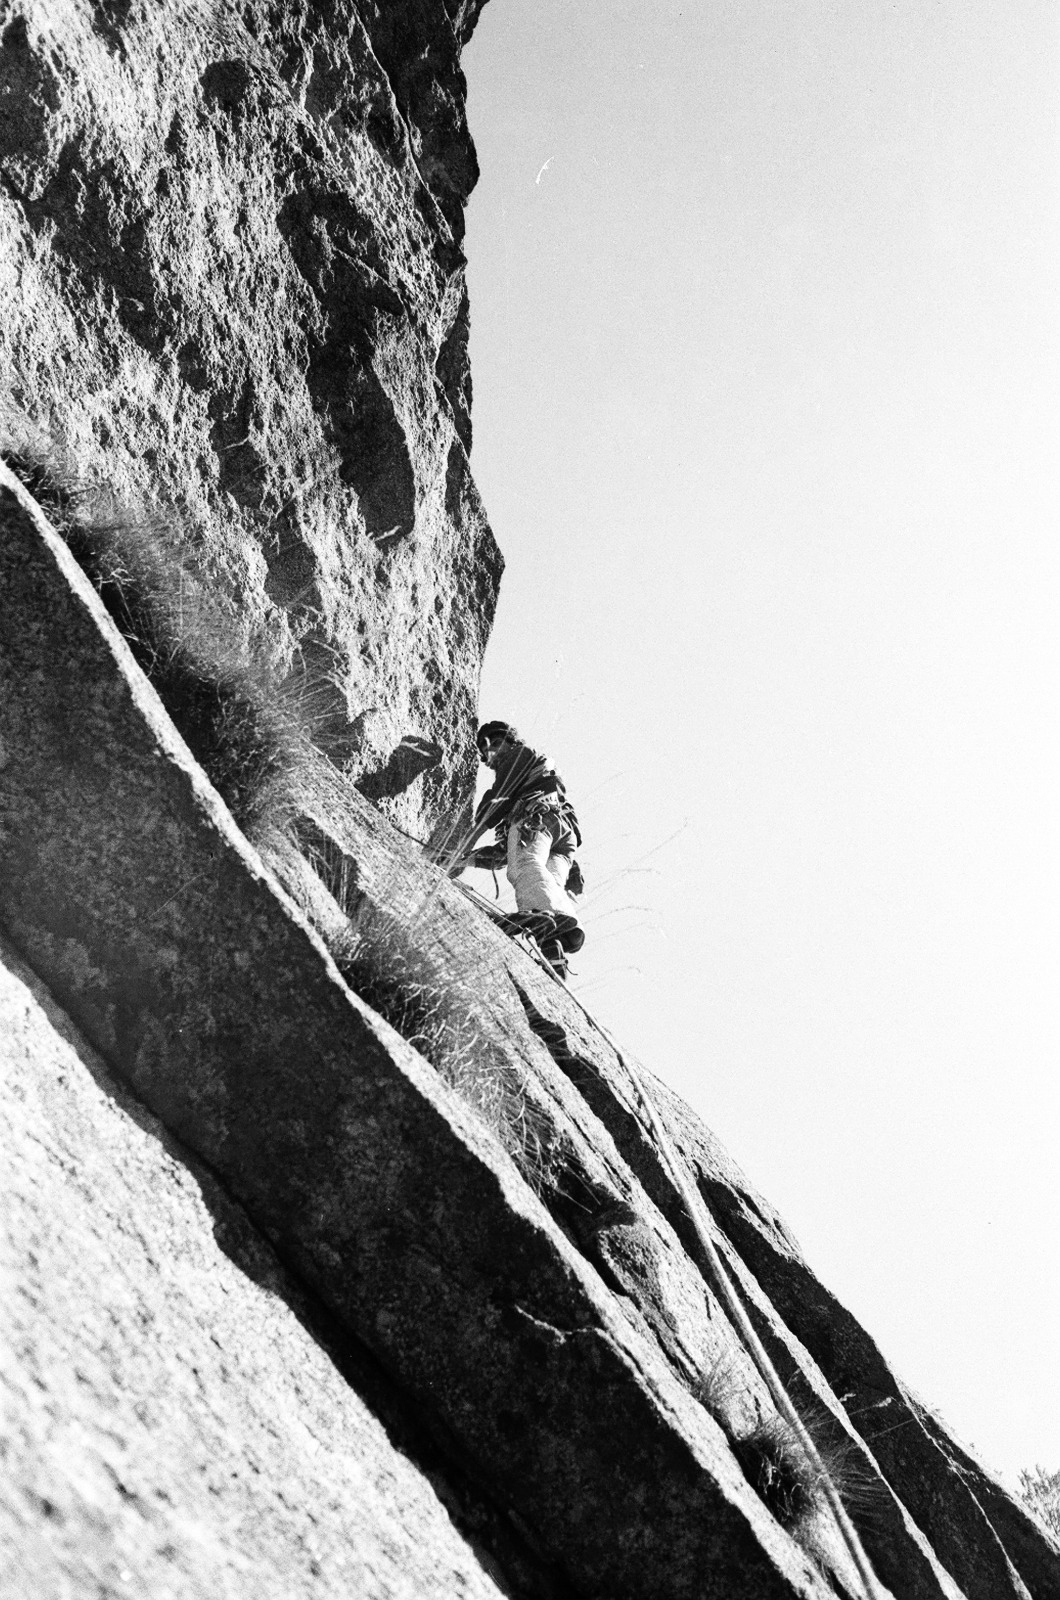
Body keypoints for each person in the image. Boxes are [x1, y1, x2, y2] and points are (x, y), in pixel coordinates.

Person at [469, 720, 585, 975]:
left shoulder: (519, 755)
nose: (492, 752)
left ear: (511, 742)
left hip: (536, 819)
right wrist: (464, 860)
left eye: (496, 743)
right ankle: (555, 945)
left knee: (524, 867)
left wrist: (468, 839)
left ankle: (543, 916)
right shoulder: (539, 772)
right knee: (549, 882)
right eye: (486, 750)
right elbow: (503, 855)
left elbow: (497, 800)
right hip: (562, 839)